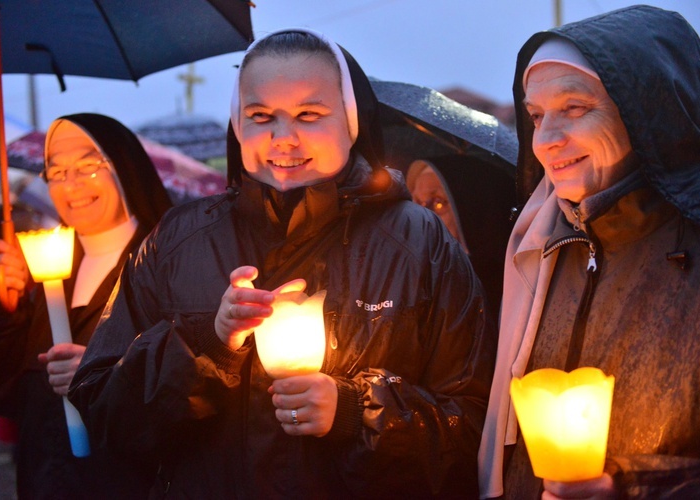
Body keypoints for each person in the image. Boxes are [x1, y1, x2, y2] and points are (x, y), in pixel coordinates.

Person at [69, 29, 496, 498]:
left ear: (350, 121)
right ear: (237, 124)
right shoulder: (176, 241)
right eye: (260, 116)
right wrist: (208, 345)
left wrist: (356, 412)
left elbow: (473, 424)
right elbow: (104, 414)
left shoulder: (418, 242)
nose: (283, 137)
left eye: (309, 115)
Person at [478, 5, 700, 499]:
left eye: (575, 108)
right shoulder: (539, 246)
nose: (546, 140)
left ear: (647, 110)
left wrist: (628, 489)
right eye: (537, 116)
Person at [0, 113, 172, 499]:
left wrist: (110, 376)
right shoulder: (47, 270)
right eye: (55, 172)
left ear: (124, 166)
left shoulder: (169, 265)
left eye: (89, 166)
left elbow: (191, 395)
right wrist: (4, 314)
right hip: (47, 481)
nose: (71, 184)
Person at [406, 156, 515, 317]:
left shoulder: (503, 292)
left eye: (438, 202)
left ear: (470, 211)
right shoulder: (408, 278)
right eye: (417, 203)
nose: (424, 216)